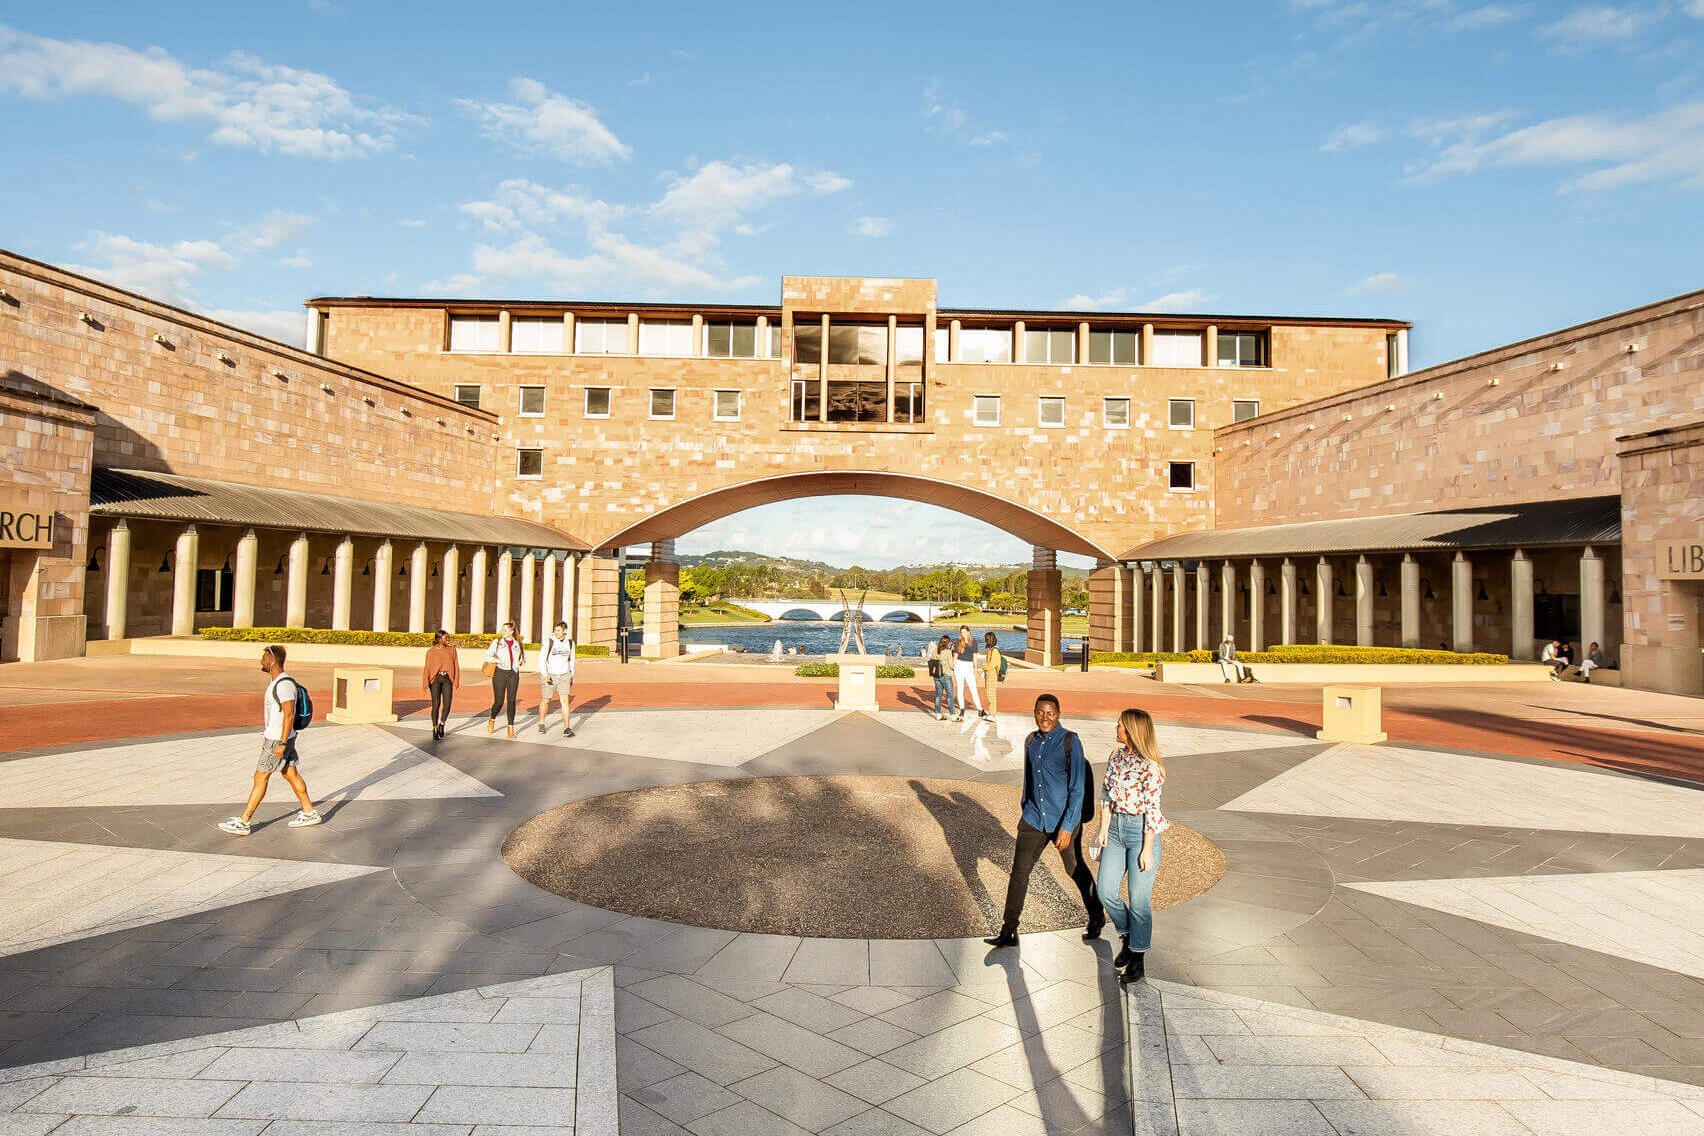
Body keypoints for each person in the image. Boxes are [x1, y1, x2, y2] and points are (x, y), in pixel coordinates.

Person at [985, 693, 1102, 949]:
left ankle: (1097, 916)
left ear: (1058, 714)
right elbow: (1029, 779)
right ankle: (1009, 929)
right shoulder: (1031, 741)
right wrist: (1026, 809)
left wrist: (1068, 827)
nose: (1044, 718)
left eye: (1050, 713)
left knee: (1074, 868)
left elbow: (1077, 788)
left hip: (1063, 821)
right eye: (1040, 712)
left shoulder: (1070, 741)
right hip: (1034, 819)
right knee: (1019, 873)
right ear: (1034, 712)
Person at [1088, 709, 1169, 984]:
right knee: (1105, 891)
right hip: (1115, 830)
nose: (1116, 727)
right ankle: (1128, 935)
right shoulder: (1117, 756)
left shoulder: (1150, 766)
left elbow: (1152, 809)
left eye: (1120, 725)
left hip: (1140, 833)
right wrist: (1102, 829)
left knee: (1139, 901)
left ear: (1133, 730)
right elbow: (1106, 794)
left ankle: (1138, 959)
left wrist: (1147, 848)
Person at [219, 645, 320, 835]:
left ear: (273, 660)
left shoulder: (283, 684)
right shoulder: (278, 682)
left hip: (277, 741)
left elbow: (289, 715)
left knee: (260, 777)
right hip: (282, 738)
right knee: (290, 774)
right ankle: (309, 812)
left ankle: (244, 821)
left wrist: (281, 743)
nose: (261, 661)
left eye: (264, 657)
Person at [485, 622, 525, 738]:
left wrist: (520, 662)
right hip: (500, 673)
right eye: (502, 630)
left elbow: (522, 659)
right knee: (499, 702)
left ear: (512, 631)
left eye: (506, 630)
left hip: (513, 674)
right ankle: (492, 719)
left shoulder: (517, 644)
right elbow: (487, 656)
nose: (503, 632)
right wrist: (497, 660)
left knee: (512, 701)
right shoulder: (497, 642)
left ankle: (510, 728)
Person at [421, 629, 460, 740]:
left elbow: (456, 665)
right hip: (436, 679)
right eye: (445, 638)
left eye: (448, 637)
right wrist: (425, 683)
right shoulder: (431, 652)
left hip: (447, 679)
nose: (448, 640)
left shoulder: (452, 650)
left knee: (447, 703)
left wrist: (456, 680)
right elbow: (427, 668)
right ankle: (434, 728)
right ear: (439, 639)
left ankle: (442, 723)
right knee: (436, 705)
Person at [539, 620, 576, 736]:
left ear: (564, 631)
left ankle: (566, 728)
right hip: (550, 675)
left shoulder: (570, 643)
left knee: (564, 701)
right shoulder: (549, 642)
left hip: (564, 675)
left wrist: (571, 675)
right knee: (546, 700)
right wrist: (545, 674)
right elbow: (541, 659)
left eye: (559, 630)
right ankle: (541, 722)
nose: (556, 632)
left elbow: (572, 660)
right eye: (555, 630)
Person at [953, 625, 986, 722]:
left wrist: (975, 669)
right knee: (960, 688)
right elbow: (955, 657)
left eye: (964, 632)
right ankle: (962, 709)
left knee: (973, 689)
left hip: (969, 667)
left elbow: (975, 657)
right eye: (961, 632)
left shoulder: (974, 642)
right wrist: (952, 668)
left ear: (968, 632)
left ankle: (980, 709)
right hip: (959, 666)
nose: (963, 634)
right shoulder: (957, 643)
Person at [926, 634, 956, 721]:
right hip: (945, 675)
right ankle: (953, 715)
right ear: (948, 643)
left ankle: (938, 714)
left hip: (936, 675)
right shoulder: (948, 652)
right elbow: (951, 665)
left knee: (938, 695)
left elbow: (932, 660)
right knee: (950, 695)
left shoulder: (936, 650)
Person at [979, 632, 1004, 719]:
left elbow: (992, 664)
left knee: (991, 694)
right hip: (989, 673)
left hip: (992, 673)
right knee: (989, 693)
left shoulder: (995, 651)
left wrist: (983, 667)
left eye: (985, 639)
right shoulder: (991, 650)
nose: (984, 640)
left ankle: (992, 714)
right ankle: (991, 713)